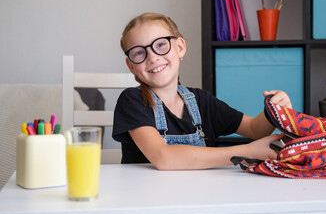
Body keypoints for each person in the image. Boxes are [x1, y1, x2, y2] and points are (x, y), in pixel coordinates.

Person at [112, 12, 292, 170]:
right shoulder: (132, 101)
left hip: (201, 196)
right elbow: (163, 157)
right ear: (131, 66)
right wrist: (244, 151)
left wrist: (276, 110)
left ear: (180, 48)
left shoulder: (201, 101)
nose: (152, 57)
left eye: (160, 45)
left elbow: (255, 129)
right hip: (149, 199)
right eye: (139, 53)